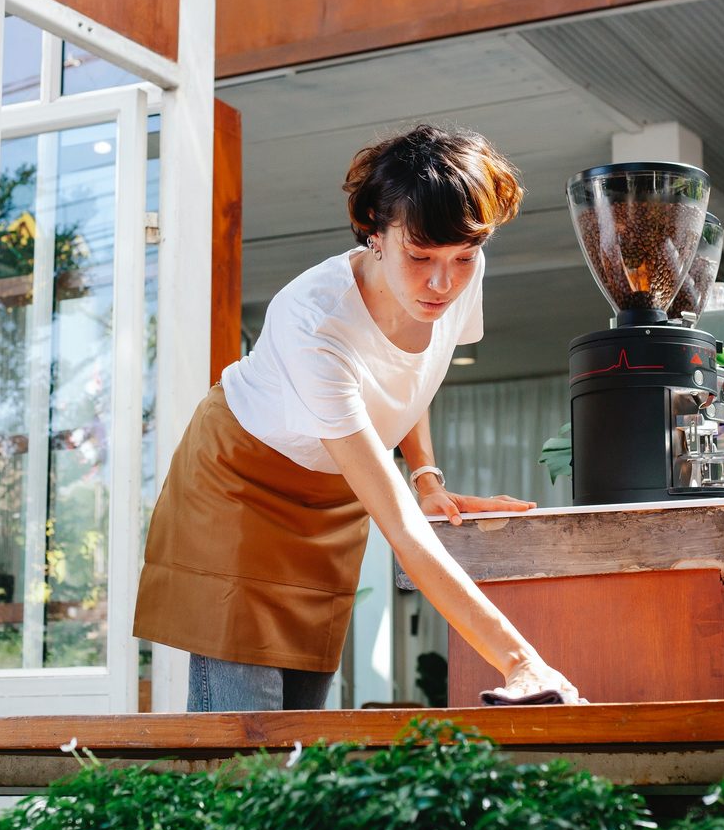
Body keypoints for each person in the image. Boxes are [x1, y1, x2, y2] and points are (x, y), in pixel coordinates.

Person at [133, 123, 581, 711]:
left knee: (304, 719)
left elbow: (411, 375)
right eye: (419, 256)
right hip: (239, 484)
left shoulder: (454, 272)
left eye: (464, 257)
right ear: (375, 230)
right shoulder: (315, 320)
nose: (442, 281)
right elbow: (401, 531)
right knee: (247, 731)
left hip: (334, 491)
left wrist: (426, 478)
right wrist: (521, 662)